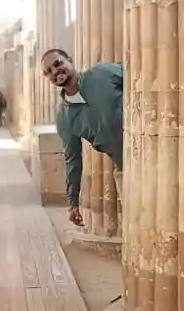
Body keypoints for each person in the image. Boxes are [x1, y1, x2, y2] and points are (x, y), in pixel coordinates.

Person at [41, 49, 123, 226]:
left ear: (69, 60)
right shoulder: (64, 118)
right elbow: (73, 160)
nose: (55, 72)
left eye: (57, 64)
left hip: (156, 150)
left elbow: (138, 79)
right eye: (48, 72)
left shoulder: (102, 73)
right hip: (126, 169)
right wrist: (73, 203)